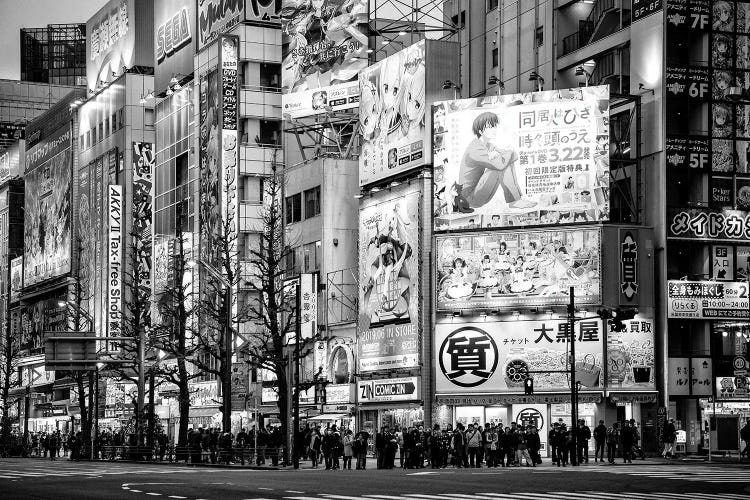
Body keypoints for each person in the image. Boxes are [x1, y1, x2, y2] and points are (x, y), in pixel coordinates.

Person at [457, 111, 536, 211]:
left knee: (504, 162)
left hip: (480, 192)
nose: (494, 129)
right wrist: (507, 152)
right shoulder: (475, 149)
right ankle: (514, 201)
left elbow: (513, 156)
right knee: (500, 166)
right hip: (469, 198)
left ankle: (515, 200)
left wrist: (506, 152)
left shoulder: (488, 145)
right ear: (480, 131)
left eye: (494, 126)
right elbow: (501, 164)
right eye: (490, 127)